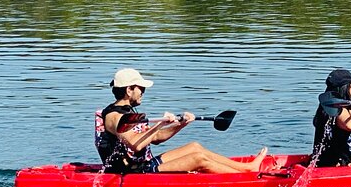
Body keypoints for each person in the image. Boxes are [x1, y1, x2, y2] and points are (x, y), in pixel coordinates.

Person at [95, 68, 267, 174]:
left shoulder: (129, 111)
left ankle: (247, 168)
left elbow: (155, 138)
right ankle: (247, 177)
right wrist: (161, 122)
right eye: (141, 89)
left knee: (195, 147)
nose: (143, 92)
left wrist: (181, 124)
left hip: (144, 164)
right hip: (132, 173)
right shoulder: (113, 117)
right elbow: (135, 144)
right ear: (129, 90)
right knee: (199, 159)